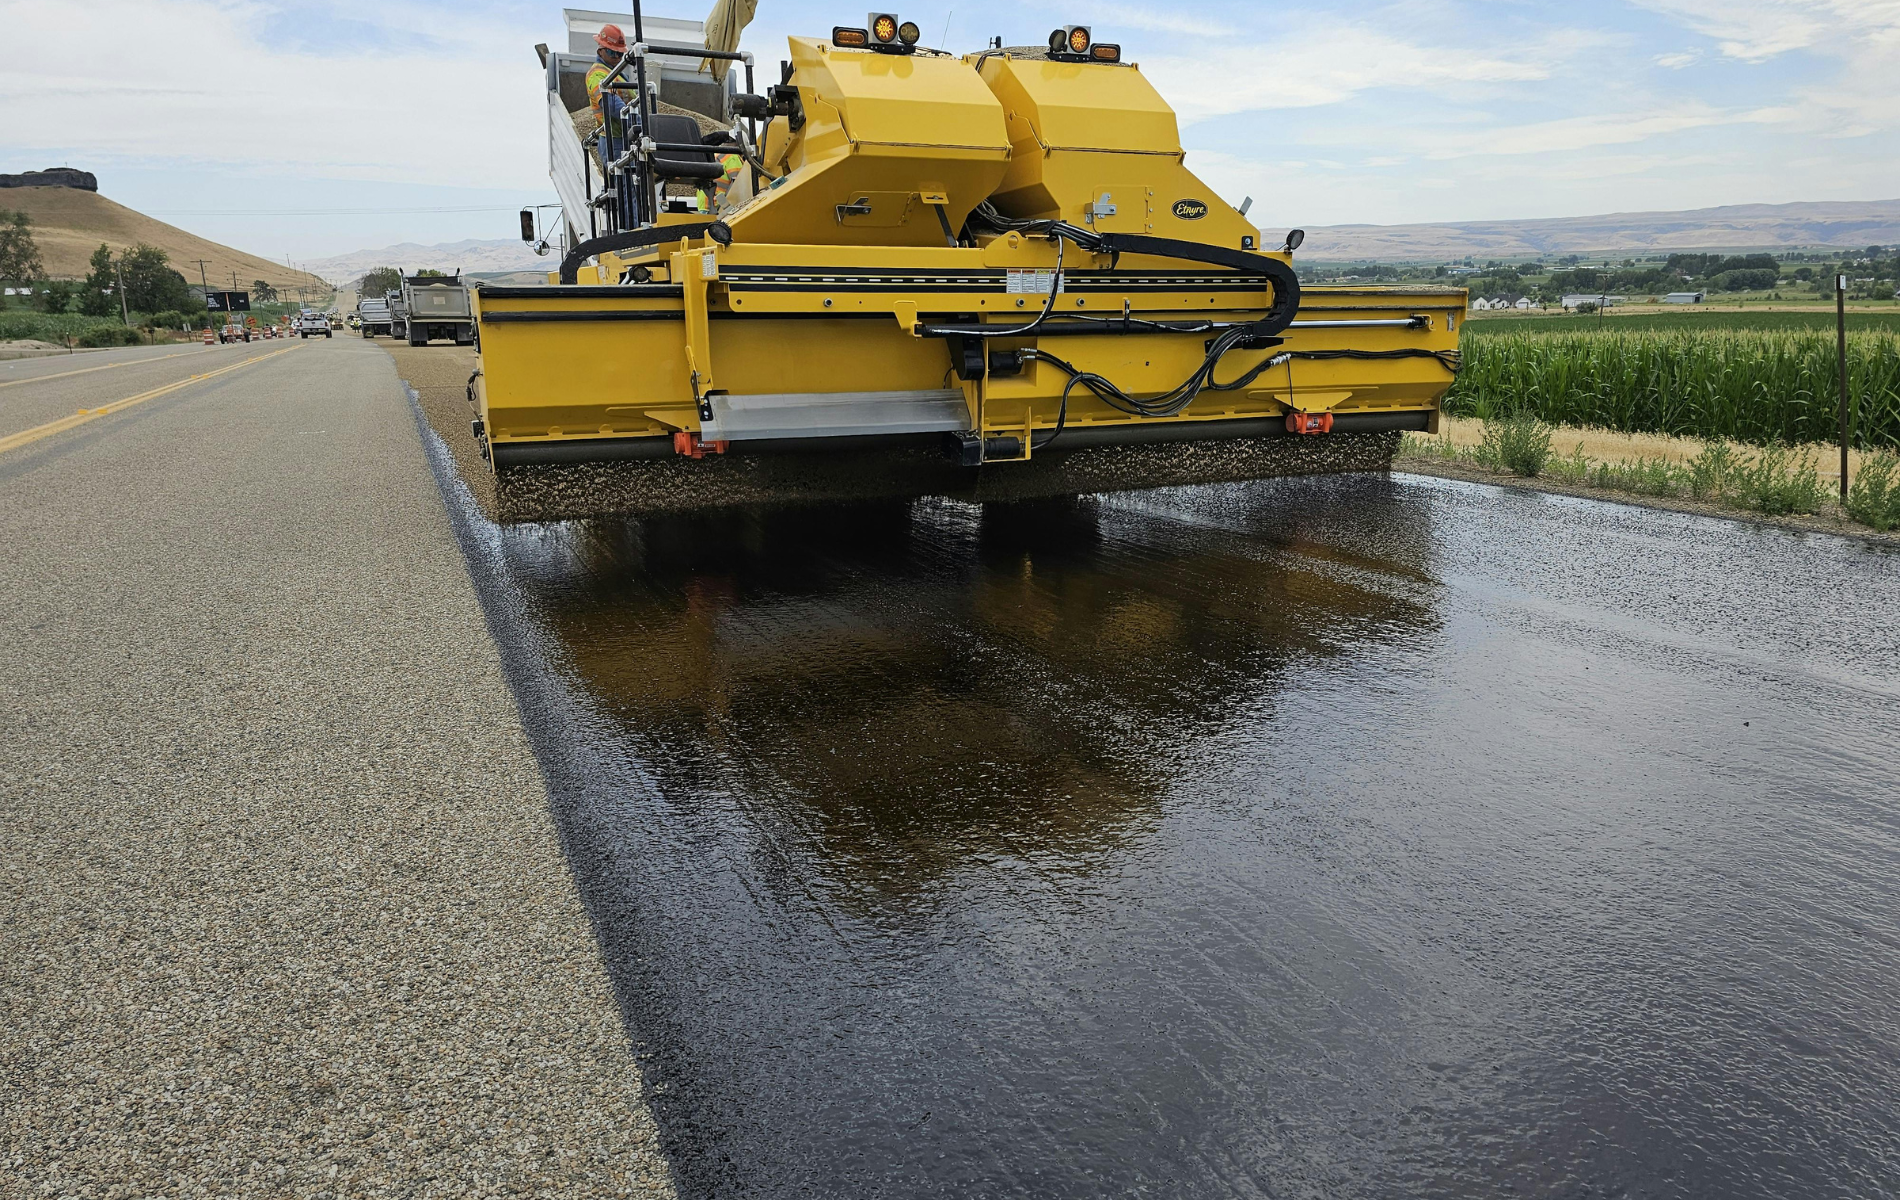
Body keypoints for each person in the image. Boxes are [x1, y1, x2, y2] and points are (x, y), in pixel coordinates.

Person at [585, 25, 628, 127]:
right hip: (612, 134)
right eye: (612, 52)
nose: (616, 57)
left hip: (625, 132)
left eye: (620, 54)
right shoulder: (596, 74)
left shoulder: (618, 73)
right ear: (600, 51)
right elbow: (610, 103)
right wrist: (637, 121)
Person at [697, 131, 746, 213]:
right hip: (719, 206)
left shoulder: (714, 155)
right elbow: (739, 185)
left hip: (705, 205)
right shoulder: (732, 157)